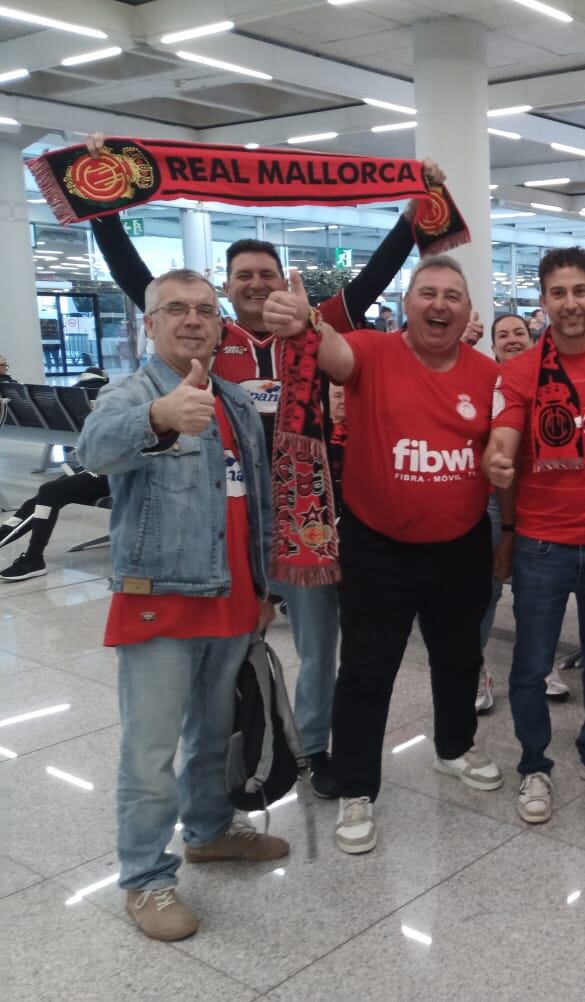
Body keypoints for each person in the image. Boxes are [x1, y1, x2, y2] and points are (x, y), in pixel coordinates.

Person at [84, 133, 437, 780]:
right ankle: (236, 750)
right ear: (228, 288)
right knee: (232, 645)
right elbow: (139, 282)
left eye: (267, 276)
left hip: (307, 518)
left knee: (317, 641)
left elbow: (377, 276)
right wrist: (104, 203)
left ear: (285, 284)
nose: (256, 285)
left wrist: (414, 214)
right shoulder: (210, 338)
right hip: (228, 516)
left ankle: (311, 749)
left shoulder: (319, 322)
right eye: (243, 277)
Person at [264, 255, 506, 854]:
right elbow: (330, 353)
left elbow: (504, 453)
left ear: (469, 311)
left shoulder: (488, 374)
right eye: (428, 293)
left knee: (458, 659)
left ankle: (453, 749)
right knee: (368, 672)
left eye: (453, 295)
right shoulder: (371, 351)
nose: (440, 305)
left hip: (461, 546)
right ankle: (356, 786)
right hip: (378, 548)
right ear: (408, 303)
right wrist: (306, 322)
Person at [77, 268, 286, 942]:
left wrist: (263, 590)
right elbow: (91, 452)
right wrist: (157, 419)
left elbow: (255, 505)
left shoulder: (233, 401)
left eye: (204, 309)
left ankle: (208, 831)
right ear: (150, 323)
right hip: (159, 603)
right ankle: (145, 879)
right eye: (176, 309)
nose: (192, 320)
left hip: (230, 600)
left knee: (211, 737)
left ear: (220, 325)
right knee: (150, 750)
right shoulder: (131, 392)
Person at [484, 247, 585, 825]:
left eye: (580, 291)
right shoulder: (521, 370)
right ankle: (534, 766)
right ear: (544, 300)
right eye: (558, 293)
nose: (571, 303)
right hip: (542, 547)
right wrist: (498, 459)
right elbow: (504, 434)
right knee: (530, 666)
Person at [474, 313, 569, 713]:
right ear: (493, 345)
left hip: (537, 500)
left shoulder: (549, 382)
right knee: (488, 588)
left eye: (519, 333)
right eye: (502, 335)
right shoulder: (483, 384)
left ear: (532, 339)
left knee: (536, 592)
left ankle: (542, 665)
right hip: (493, 502)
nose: (511, 339)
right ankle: (477, 670)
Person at [0, 368, 112, 582]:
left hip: (120, 473)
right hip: (107, 468)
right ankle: (11, 536)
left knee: (50, 490)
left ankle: (33, 558)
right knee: (49, 494)